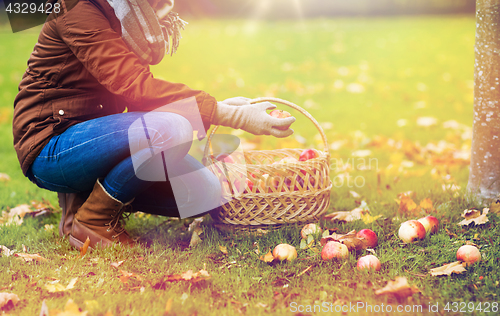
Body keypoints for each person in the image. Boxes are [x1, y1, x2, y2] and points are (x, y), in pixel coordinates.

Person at [12, 0, 295, 249]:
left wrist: (220, 106)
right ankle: (93, 218)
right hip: (52, 143)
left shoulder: (129, 13)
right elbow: (135, 85)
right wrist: (228, 115)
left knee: (207, 192)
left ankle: (88, 196)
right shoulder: (75, 7)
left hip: (101, 135)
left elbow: (139, 104)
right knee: (173, 129)